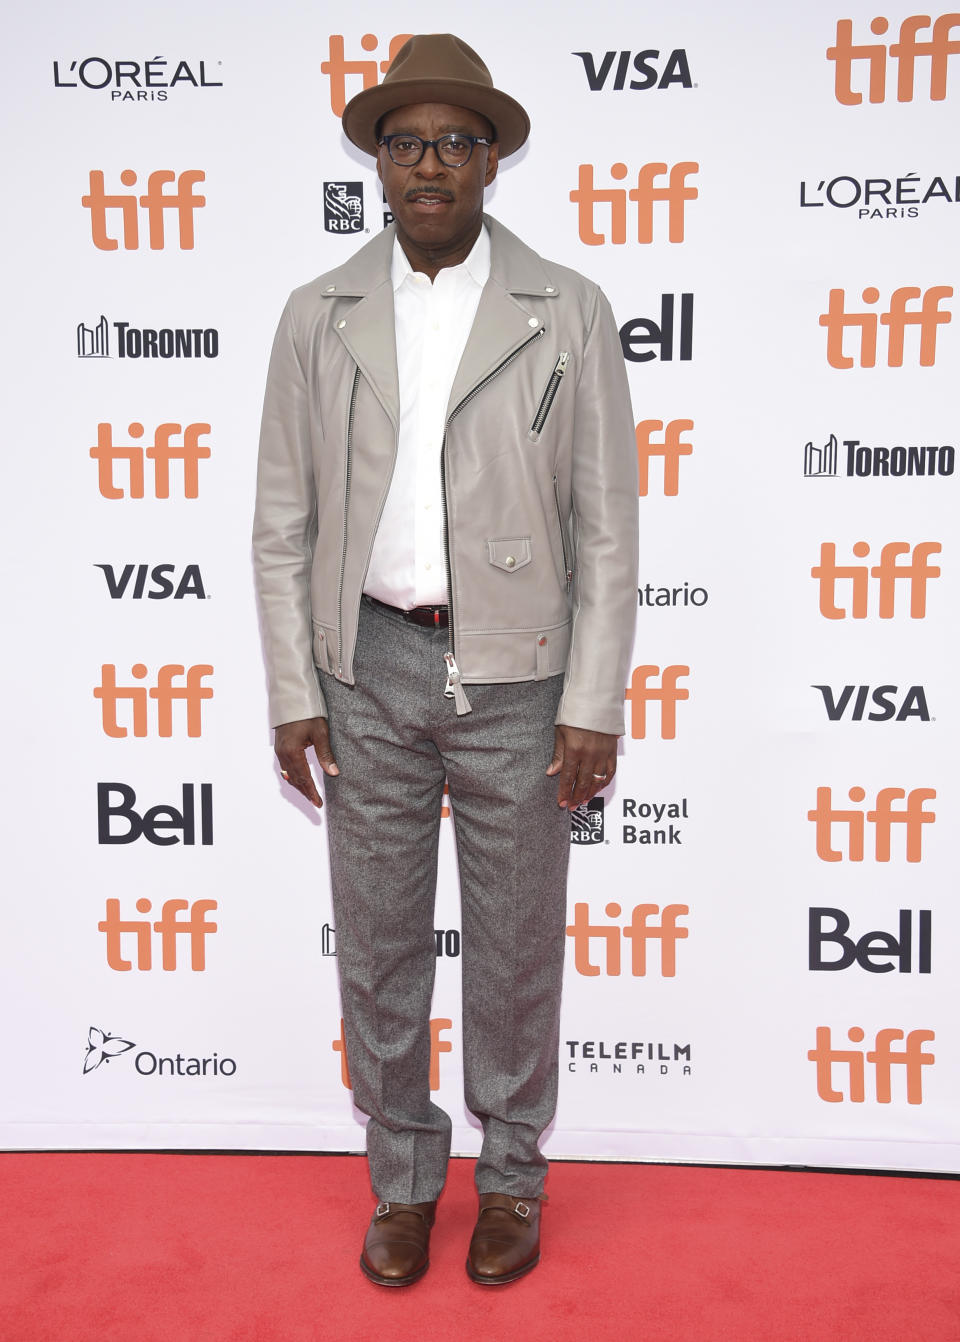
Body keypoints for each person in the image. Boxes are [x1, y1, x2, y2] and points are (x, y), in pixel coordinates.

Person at [253, 33, 638, 1287]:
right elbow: (282, 522)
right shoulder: (318, 315)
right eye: (407, 140)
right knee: (375, 941)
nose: (431, 163)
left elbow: (607, 525)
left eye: (457, 142)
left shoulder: (564, 306)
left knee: (519, 942)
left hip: (520, 680)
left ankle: (513, 1176)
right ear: (376, 160)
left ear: (491, 162)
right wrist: (295, 688)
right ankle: (406, 1179)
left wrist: (592, 701)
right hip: (364, 666)